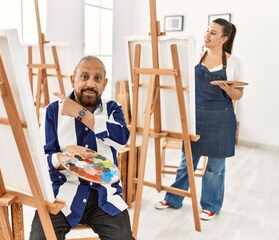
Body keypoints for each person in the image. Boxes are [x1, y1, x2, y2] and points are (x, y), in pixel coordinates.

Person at [29, 55, 134, 239]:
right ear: (73, 79)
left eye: (97, 78)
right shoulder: (53, 111)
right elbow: (42, 158)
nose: (90, 84)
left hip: (105, 195)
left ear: (105, 83)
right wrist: (62, 160)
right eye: (84, 77)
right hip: (63, 194)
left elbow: (122, 139)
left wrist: (80, 113)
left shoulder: (113, 108)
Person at [155, 18, 244, 220]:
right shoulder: (196, 57)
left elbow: (239, 95)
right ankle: (174, 198)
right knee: (186, 161)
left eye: (213, 32)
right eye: (207, 30)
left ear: (224, 38)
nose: (207, 35)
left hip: (221, 120)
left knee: (215, 168)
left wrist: (230, 90)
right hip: (196, 119)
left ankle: (210, 205)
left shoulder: (233, 62)